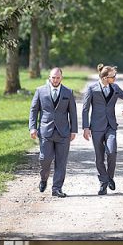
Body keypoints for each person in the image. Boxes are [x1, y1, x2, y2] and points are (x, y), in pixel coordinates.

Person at [82, 64, 123, 195]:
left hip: (111, 126)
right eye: (113, 76)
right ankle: (103, 182)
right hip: (96, 127)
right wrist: (86, 127)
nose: (115, 78)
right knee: (99, 156)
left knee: (112, 152)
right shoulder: (92, 89)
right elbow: (85, 109)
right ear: (105, 78)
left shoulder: (115, 88)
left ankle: (110, 177)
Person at [29, 67, 78, 198]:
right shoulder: (40, 91)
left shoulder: (68, 92)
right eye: (53, 78)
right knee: (45, 159)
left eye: (58, 78)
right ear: (49, 77)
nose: (55, 80)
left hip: (63, 133)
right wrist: (32, 127)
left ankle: (57, 188)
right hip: (46, 131)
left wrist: (73, 130)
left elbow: (73, 112)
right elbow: (34, 110)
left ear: (61, 78)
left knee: (61, 162)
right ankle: (44, 178)